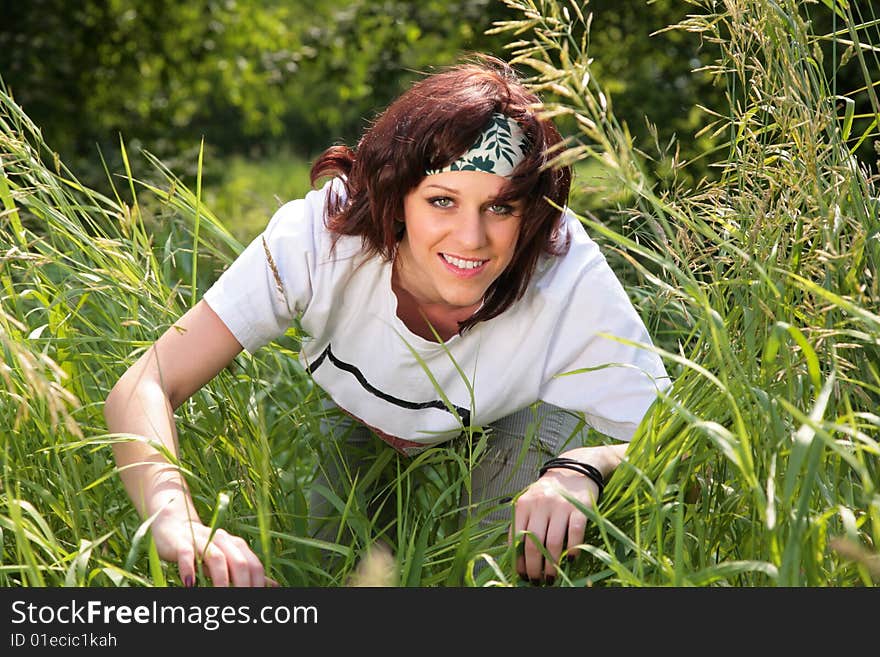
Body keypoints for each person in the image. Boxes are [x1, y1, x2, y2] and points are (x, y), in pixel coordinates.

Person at [103, 54, 670, 588]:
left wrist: (586, 467)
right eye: (441, 201)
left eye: (500, 207)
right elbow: (146, 382)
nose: (471, 239)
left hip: (511, 419)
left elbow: (680, 449)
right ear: (395, 196)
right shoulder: (322, 236)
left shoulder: (564, 271)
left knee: (498, 564)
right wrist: (175, 520)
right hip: (360, 409)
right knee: (336, 567)